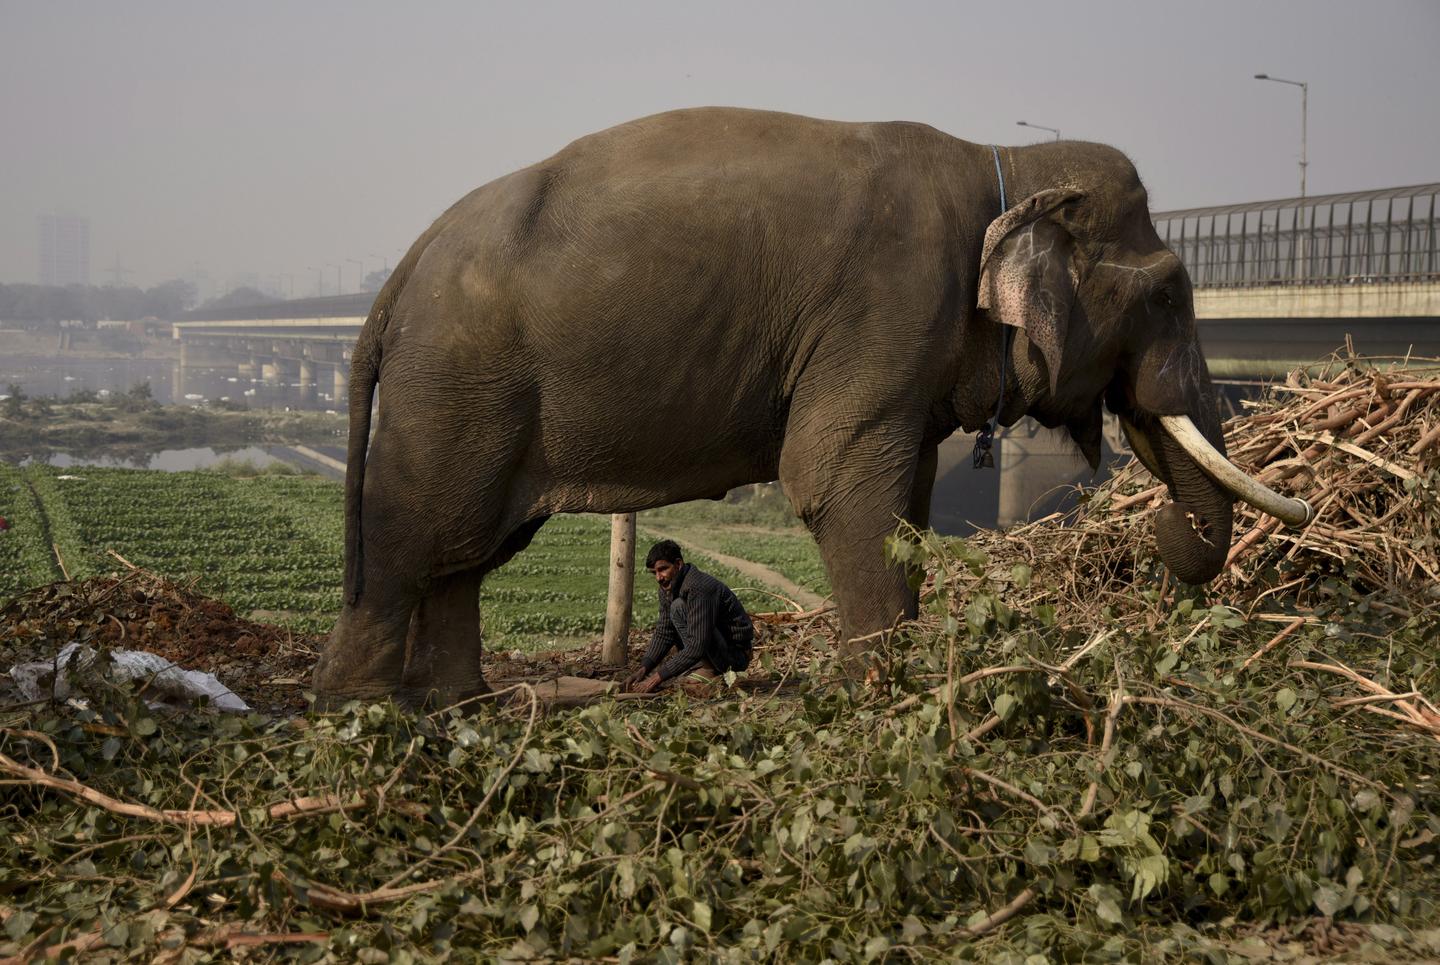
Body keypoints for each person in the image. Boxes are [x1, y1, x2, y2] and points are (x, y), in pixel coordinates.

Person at [624, 539, 753, 695]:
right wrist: (644, 668)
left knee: (678, 607)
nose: (659, 577)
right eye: (654, 573)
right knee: (677, 607)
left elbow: (697, 645)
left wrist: (655, 679)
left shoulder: (699, 588)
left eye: (663, 569)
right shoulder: (667, 589)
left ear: (678, 564)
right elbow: (664, 631)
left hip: (734, 656)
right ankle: (702, 667)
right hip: (713, 648)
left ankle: (709, 670)